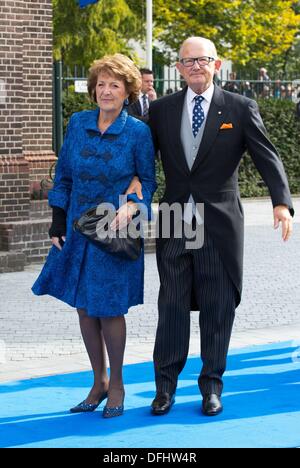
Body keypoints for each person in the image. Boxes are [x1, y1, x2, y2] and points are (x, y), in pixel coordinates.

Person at [145, 37, 293, 416]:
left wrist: (281, 203)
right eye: (188, 61)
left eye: (203, 60)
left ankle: (212, 386)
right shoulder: (161, 110)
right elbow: (140, 158)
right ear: (178, 68)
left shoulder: (240, 108)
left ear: (217, 64)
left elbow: (267, 156)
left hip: (219, 224)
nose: (196, 66)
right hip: (175, 220)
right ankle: (165, 388)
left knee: (217, 305)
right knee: (172, 304)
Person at [32, 54, 156, 418]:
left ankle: (117, 383)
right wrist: (57, 220)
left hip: (113, 230)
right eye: (100, 84)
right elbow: (65, 174)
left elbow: (147, 181)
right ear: (93, 89)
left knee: (109, 307)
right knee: (85, 307)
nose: (106, 91)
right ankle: (98, 381)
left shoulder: (138, 132)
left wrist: (133, 205)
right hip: (76, 227)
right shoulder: (78, 122)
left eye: (114, 85)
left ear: (128, 91)